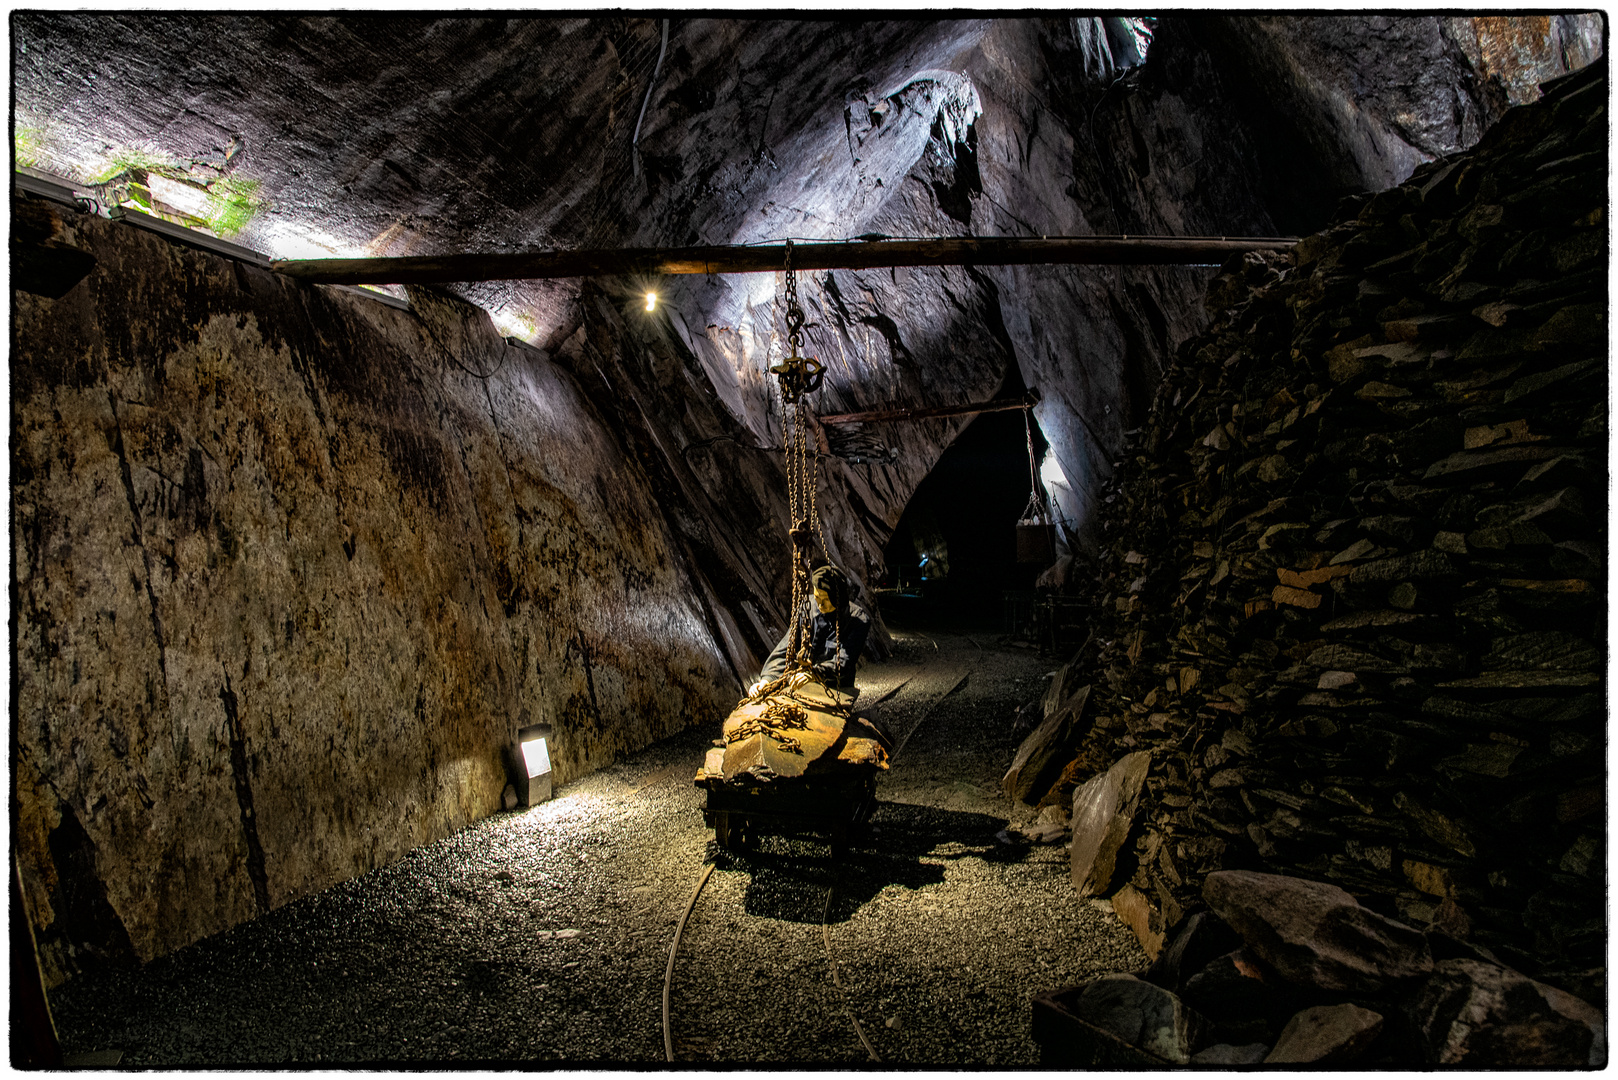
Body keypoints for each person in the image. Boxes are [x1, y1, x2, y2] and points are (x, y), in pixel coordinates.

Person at [751, 564, 870, 695]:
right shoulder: (808, 607)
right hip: (803, 683)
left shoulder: (858, 620)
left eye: (825, 599)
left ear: (838, 598)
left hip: (837, 687)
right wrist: (767, 680)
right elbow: (786, 647)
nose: (820, 604)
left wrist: (815, 674)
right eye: (817, 597)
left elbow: (844, 661)